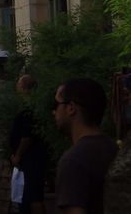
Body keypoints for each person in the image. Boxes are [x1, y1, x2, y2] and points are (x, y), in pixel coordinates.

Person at [53, 77, 117, 214]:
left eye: (56, 105)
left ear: (71, 108)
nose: (54, 111)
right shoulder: (115, 149)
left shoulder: (73, 161)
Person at [9, 74, 47, 214]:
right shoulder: (30, 108)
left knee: (33, 196)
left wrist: (18, 155)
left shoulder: (29, 110)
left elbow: (27, 137)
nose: (17, 88)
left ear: (24, 87)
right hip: (30, 160)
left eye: (19, 85)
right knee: (28, 196)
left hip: (31, 160)